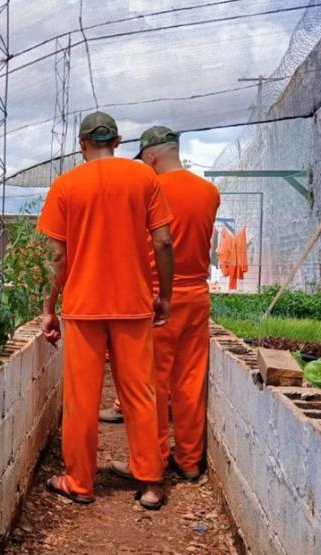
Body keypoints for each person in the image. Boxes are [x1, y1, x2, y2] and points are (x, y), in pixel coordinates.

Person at [38, 112, 175, 510]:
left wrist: (49, 308)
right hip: (133, 305)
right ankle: (150, 484)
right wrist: (163, 295)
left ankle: (79, 482)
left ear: (82, 144)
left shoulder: (65, 186)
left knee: (82, 399)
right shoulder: (145, 179)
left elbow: (57, 256)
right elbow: (164, 242)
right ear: (117, 142)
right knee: (140, 394)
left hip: (83, 308)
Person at [112, 126, 220, 481]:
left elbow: (154, 244)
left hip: (159, 298)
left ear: (152, 155)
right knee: (189, 382)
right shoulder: (209, 192)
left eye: (144, 159)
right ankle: (189, 461)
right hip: (197, 297)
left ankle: (152, 460)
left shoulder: (151, 189)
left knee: (151, 385)